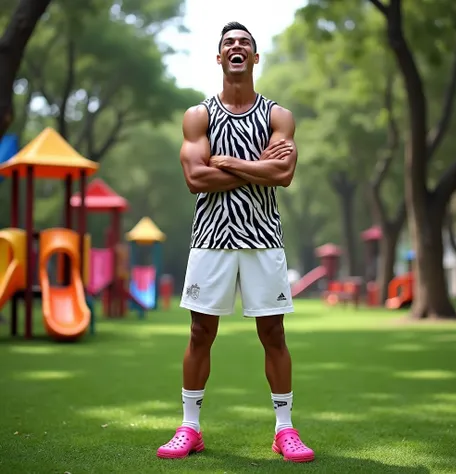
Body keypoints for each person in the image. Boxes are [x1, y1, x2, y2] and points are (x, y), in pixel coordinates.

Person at [156, 21, 314, 463]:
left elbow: (283, 174)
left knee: (274, 333)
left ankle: (285, 430)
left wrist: (223, 161)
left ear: (255, 57)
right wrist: (252, 165)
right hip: (211, 238)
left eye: (245, 42)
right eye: (229, 43)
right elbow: (194, 178)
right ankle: (190, 427)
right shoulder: (198, 116)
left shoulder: (278, 116)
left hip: (264, 238)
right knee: (200, 332)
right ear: (220, 58)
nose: (237, 47)